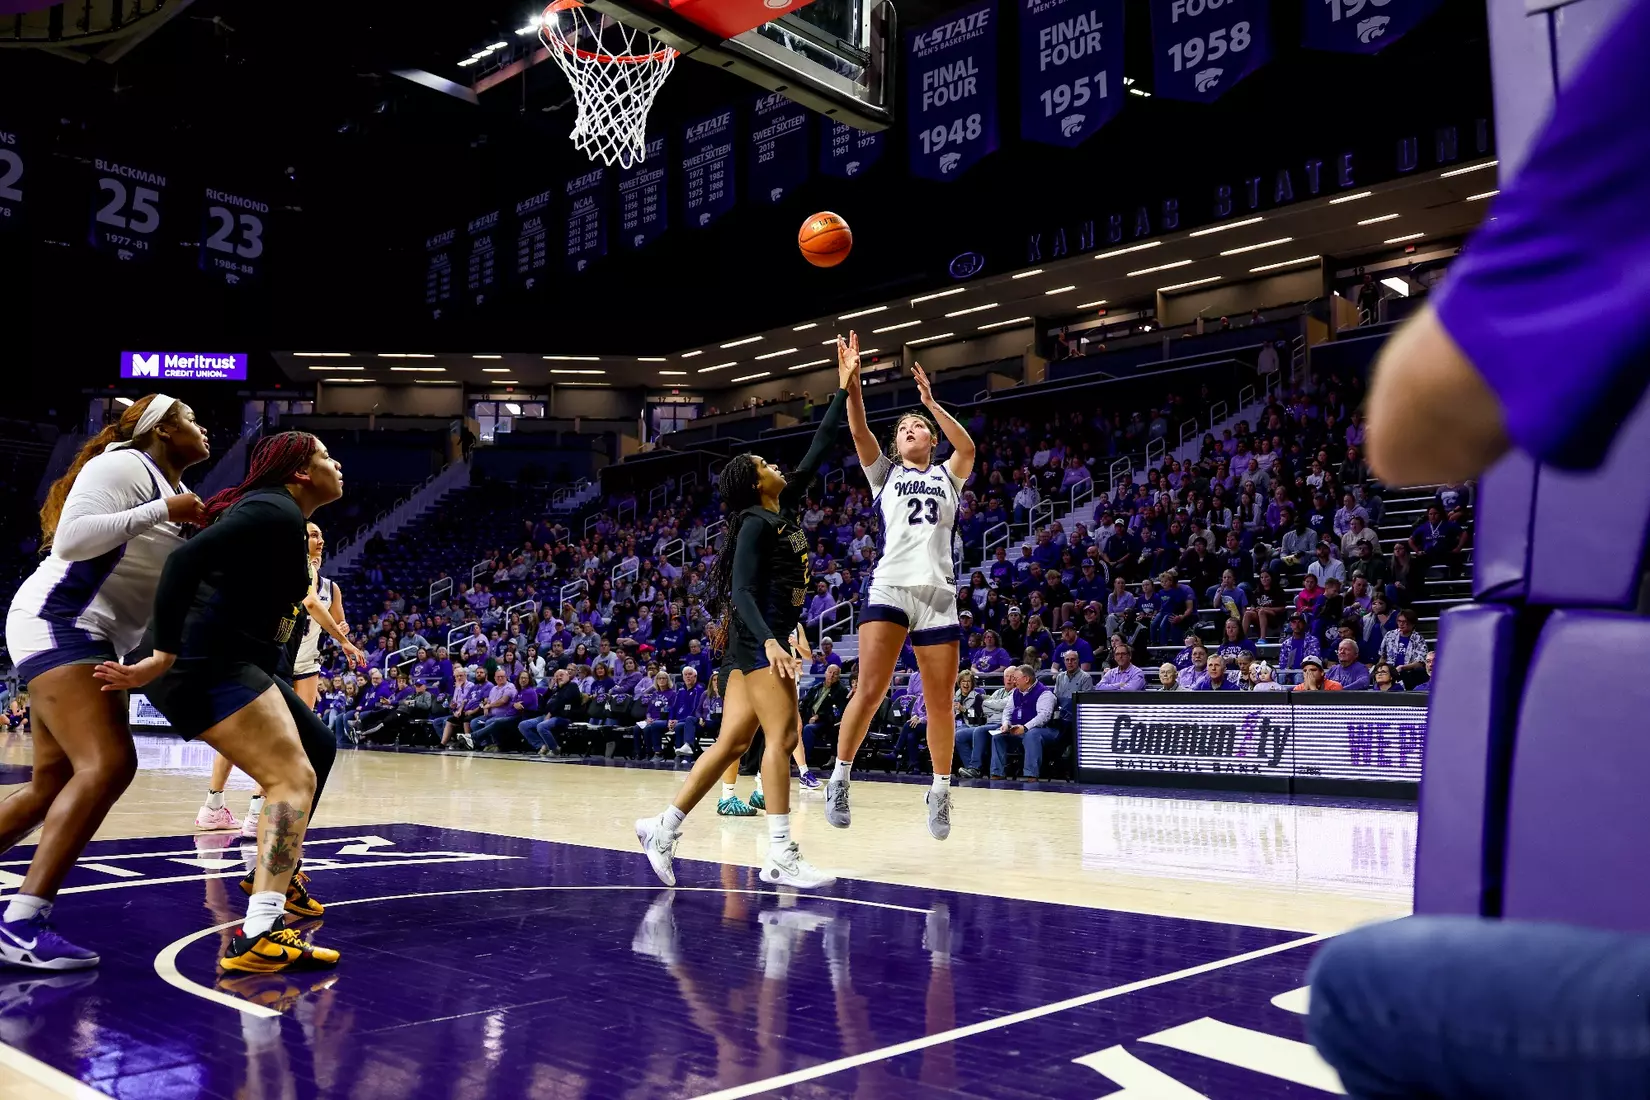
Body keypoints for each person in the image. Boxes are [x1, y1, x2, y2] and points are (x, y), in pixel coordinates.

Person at [95, 431, 344, 973]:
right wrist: (162, 654)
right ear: (299, 472)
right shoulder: (274, 511)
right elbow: (184, 562)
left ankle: (272, 871)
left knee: (318, 745)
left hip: (232, 660)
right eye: (325, 456)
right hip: (199, 661)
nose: (337, 463)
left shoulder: (286, 522)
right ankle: (260, 929)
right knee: (291, 777)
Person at [0, 394, 210, 969]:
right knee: (110, 764)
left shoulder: (167, 491)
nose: (204, 427)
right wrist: (163, 513)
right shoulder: (121, 462)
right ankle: (21, 924)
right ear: (163, 430)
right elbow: (72, 541)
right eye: (192, 419)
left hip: (77, 628)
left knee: (51, 783)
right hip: (63, 619)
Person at [635, 352, 855, 890]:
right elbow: (740, 591)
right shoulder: (755, 523)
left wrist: (845, 389)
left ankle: (662, 827)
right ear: (756, 484)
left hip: (756, 639)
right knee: (782, 737)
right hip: (759, 639)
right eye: (765, 466)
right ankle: (780, 851)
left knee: (733, 743)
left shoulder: (782, 509)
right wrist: (774, 641)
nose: (776, 467)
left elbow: (820, 446)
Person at [829, 332, 976, 840]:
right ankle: (839, 778)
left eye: (920, 426)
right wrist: (853, 384)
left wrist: (932, 404)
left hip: (938, 594)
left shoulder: (948, 474)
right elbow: (858, 427)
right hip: (891, 587)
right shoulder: (885, 475)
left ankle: (939, 791)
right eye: (907, 427)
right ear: (895, 445)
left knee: (940, 702)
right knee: (870, 690)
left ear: (931, 438)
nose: (913, 428)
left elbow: (969, 445)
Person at [197, 520, 362, 837]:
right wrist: (343, 642)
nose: (320, 539)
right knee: (271, 739)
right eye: (313, 534)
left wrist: (342, 631)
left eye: (322, 534)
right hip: (278, 659)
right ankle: (234, 809)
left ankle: (246, 811)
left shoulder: (330, 586)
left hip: (305, 663)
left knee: (288, 740)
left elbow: (338, 619)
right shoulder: (292, 570)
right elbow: (310, 603)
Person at [991, 664, 1057, 781]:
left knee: (1032, 735)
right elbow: (1007, 710)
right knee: (998, 736)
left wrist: (1025, 727)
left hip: (1044, 730)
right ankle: (998, 772)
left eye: (1016, 678)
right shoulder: (1016, 692)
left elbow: (1043, 716)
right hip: (1018, 728)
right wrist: (1006, 724)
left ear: (1026, 679)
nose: (1014, 681)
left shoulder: (1045, 693)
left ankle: (1031, 774)